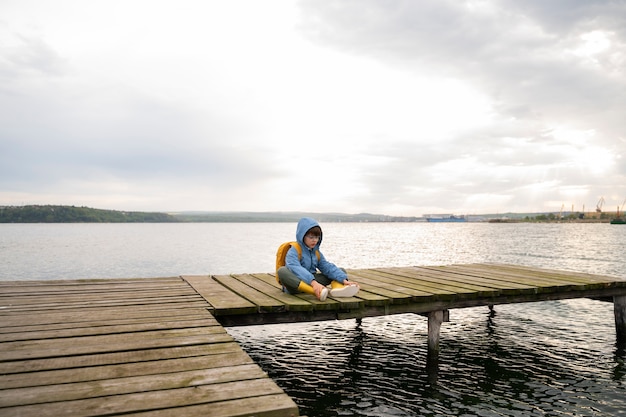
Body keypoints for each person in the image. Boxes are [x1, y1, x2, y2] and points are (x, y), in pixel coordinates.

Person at [277, 217, 359, 301]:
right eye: (311, 237)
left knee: (341, 271)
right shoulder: (294, 250)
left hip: (312, 282)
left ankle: (338, 289)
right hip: (296, 285)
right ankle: (315, 291)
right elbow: (295, 268)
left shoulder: (315, 252)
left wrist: (343, 280)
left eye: (317, 237)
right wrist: (313, 283)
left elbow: (326, 266)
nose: (314, 240)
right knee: (282, 271)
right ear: (302, 236)